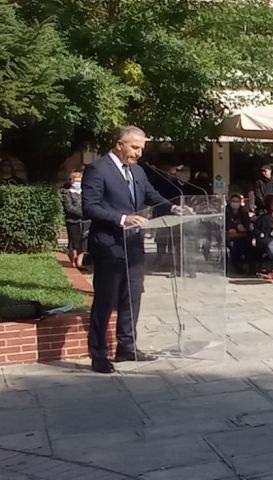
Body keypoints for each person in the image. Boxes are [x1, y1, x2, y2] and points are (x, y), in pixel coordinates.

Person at [81, 126, 169, 374]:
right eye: (135, 147)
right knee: (105, 302)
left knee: (132, 299)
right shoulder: (97, 169)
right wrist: (122, 218)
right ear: (119, 144)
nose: (139, 153)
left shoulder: (138, 171)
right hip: (109, 247)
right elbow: (90, 207)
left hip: (134, 246)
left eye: (141, 148)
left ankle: (126, 347)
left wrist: (175, 208)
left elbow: (151, 195)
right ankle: (98, 355)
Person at [63, 170, 89, 270]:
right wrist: (81, 213)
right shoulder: (67, 193)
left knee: (82, 242)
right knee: (74, 242)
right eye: (76, 180)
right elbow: (69, 207)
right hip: (72, 221)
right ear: (72, 181)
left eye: (80, 180)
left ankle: (79, 263)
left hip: (84, 221)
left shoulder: (84, 192)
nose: (78, 183)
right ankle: (73, 261)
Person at [225, 194, 253, 275]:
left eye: (237, 201)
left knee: (247, 247)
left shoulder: (244, 211)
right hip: (229, 236)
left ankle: (250, 268)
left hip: (242, 236)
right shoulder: (226, 211)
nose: (235, 203)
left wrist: (242, 227)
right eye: (233, 201)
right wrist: (232, 227)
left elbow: (247, 225)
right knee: (233, 246)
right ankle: (236, 267)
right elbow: (225, 223)